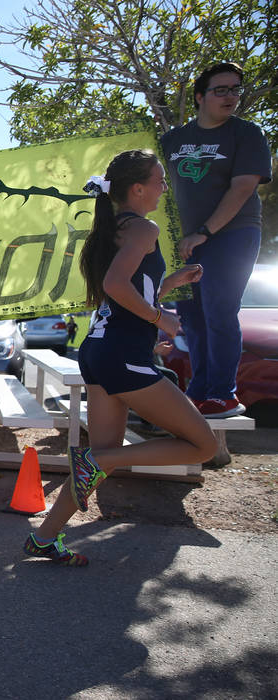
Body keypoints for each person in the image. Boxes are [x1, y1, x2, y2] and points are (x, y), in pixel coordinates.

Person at [22, 150, 216, 566]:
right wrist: (159, 318)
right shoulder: (143, 228)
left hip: (100, 351)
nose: (165, 187)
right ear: (138, 188)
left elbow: (127, 292)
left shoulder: (116, 227)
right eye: (160, 180)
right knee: (201, 445)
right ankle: (100, 458)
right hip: (123, 356)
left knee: (98, 462)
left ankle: (44, 538)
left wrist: (167, 286)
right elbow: (115, 286)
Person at [160, 61, 272, 418]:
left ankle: (223, 394)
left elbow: (243, 188)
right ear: (199, 97)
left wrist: (204, 232)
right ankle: (199, 391)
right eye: (221, 90)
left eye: (235, 89)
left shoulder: (246, 134)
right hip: (185, 242)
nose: (231, 97)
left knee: (220, 311)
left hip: (232, 235)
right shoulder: (172, 140)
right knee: (192, 316)